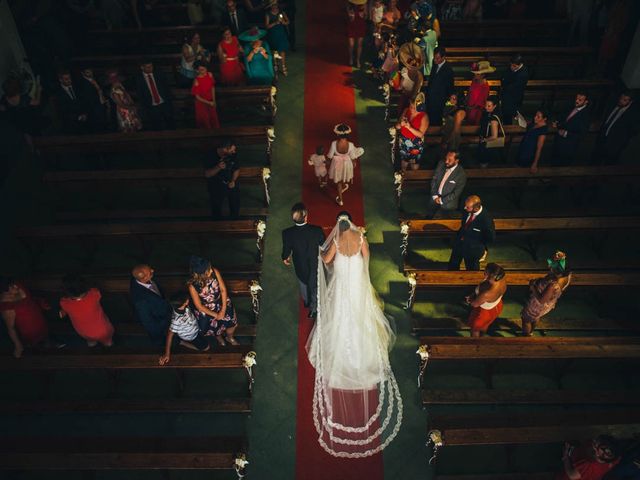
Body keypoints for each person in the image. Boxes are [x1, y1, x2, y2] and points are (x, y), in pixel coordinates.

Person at [306, 212, 402, 457]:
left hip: (342, 287)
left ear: (337, 228)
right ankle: (363, 358)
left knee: (340, 320)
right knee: (361, 320)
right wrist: (363, 282)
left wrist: (320, 252)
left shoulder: (336, 242)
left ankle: (342, 359)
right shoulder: (360, 238)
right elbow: (366, 260)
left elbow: (327, 261)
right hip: (357, 286)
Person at [281, 203, 326, 318]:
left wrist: (285, 257)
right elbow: (323, 245)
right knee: (314, 285)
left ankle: (306, 301)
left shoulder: (287, 233)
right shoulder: (317, 230)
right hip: (314, 263)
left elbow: (286, 249)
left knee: (303, 283)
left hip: (300, 264)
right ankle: (314, 308)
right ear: (306, 216)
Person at [0, 277, 59, 358]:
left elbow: (30, 299)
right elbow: (11, 328)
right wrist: (18, 346)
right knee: (40, 352)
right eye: (11, 287)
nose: (16, 286)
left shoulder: (17, 285)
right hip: (30, 332)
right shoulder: (6, 306)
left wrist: (40, 303)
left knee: (47, 338)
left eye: (13, 284)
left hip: (40, 319)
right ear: (5, 292)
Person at [187, 255, 238, 346]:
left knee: (232, 323)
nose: (211, 270)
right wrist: (216, 315)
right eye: (208, 270)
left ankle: (229, 337)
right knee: (214, 327)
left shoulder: (215, 272)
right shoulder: (192, 286)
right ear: (201, 275)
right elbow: (199, 306)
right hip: (206, 309)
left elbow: (223, 289)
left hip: (221, 302)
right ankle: (219, 337)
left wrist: (223, 309)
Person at [521, 251, 572, 336]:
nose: (549, 267)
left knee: (526, 320)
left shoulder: (553, 285)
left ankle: (526, 335)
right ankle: (531, 331)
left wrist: (533, 287)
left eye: (552, 268)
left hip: (537, 305)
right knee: (536, 317)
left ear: (558, 273)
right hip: (548, 304)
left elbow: (541, 300)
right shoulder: (567, 275)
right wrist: (561, 257)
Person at [59, 274, 114, 347]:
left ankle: (92, 347)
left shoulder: (64, 302)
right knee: (108, 342)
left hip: (83, 332)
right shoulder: (94, 293)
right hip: (103, 331)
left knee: (91, 342)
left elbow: (63, 312)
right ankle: (109, 348)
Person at [158, 292, 211, 366]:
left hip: (195, 328)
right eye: (186, 299)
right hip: (191, 336)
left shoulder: (183, 307)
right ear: (185, 303)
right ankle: (183, 343)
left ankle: (185, 341)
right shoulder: (176, 321)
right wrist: (167, 354)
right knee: (206, 348)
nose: (188, 299)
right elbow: (169, 335)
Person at [448, 195, 495, 271]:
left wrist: (481, 246)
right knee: (452, 266)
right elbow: (464, 225)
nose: (464, 208)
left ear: (476, 208)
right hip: (460, 243)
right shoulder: (467, 210)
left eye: (467, 207)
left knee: (472, 271)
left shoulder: (486, 220)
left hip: (473, 250)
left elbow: (491, 238)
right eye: (465, 206)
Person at [130, 264, 172, 346]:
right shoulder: (140, 300)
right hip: (161, 324)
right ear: (144, 278)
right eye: (150, 272)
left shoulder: (140, 279)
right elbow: (148, 322)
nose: (153, 270)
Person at [592, 91, 639, 165]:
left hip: (614, 145)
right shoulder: (613, 105)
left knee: (608, 165)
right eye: (621, 98)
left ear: (630, 102)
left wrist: (621, 142)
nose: (621, 101)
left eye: (625, 100)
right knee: (595, 160)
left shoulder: (633, 114)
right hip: (602, 139)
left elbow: (634, 130)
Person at [464, 263, 507, 337]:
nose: (484, 273)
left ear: (492, 276)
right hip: (497, 306)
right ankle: (482, 335)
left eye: (486, 272)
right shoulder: (501, 279)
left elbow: (474, 304)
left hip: (483, 312)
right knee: (485, 324)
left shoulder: (487, 293)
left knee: (475, 329)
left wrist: (470, 299)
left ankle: (475, 343)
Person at [327, 123, 365, 206]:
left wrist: (327, 163)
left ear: (337, 134)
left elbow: (330, 156)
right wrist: (354, 163)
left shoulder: (334, 143)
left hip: (337, 164)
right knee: (344, 175)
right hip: (346, 164)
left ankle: (340, 200)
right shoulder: (350, 145)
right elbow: (353, 157)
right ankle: (344, 186)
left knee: (339, 182)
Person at [204, 139, 240, 219]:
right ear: (224, 149)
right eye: (232, 150)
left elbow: (236, 169)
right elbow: (207, 174)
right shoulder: (210, 155)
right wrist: (218, 167)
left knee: (235, 204)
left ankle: (235, 221)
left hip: (230, 183)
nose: (234, 152)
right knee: (216, 209)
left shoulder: (233, 155)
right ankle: (217, 224)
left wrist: (233, 180)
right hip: (216, 185)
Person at [551, 92, 590, 166]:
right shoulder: (571, 106)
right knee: (553, 163)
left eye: (580, 100)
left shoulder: (586, 115)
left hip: (568, 147)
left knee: (562, 167)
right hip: (558, 142)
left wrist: (566, 134)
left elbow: (582, 135)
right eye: (576, 98)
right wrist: (557, 122)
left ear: (586, 102)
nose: (577, 101)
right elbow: (563, 117)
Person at [426, 150, 467, 218]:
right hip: (434, 198)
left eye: (449, 160)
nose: (446, 161)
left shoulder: (461, 174)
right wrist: (435, 195)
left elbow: (456, 193)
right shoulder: (441, 164)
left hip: (448, 204)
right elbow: (434, 179)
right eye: (446, 159)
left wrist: (442, 200)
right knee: (428, 218)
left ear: (456, 161)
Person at [135, 61, 175, 130]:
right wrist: (146, 105)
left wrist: (168, 99)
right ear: (142, 67)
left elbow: (166, 87)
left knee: (170, 122)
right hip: (151, 105)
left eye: (151, 66)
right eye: (148, 67)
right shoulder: (138, 79)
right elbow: (140, 94)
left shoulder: (158, 74)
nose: (151, 68)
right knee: (157, 125)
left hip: (164, 102)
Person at [396, 93, 429, 171]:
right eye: (410, 106)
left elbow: (421, 134)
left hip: (416, 143)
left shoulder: (424, 116)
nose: (411, 109)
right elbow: (397, 125)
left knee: (414, 164)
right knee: (404, 161)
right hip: (403, 140)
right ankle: (401, 179)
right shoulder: (406, 110)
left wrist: (409, 127)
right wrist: (399, 125)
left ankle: (413, 178)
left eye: (414, 107)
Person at [55, 69, 89, 134]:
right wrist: (78, 117)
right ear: (60, 80)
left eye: (69, 78)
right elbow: (62, 111)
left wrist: (85, 113)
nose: (69, 80)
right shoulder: (59, 94)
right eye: (66, 79)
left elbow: (83, 102)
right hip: (70, 124)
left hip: (84, 121)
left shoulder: (77, 88)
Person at [426, 46, 454, 126]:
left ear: (443, 57)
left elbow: (450, 86)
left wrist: (449, 97)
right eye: (434, 58)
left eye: (437, 58)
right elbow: (431, 78)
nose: (435, 60)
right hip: (430, 96)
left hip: (439, 99)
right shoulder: (434, 63)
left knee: (436, 120)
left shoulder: (448, 70)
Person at [500, 54, 529, 125]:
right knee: (505, 115)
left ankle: (509, 130)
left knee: (510, 117)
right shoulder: (511, 67)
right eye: (511, 65)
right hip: (506, 96)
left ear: (520, 64)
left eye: (514, 66)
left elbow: (514, 87)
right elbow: (503, 78)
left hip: (514, 99)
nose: (512, 67)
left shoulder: (523, 73)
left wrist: (506, 85)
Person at [396, 42, 424, 115]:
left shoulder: (418, 75)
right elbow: (401, 85)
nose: (411, 64)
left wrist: (409, 97)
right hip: (403, 95)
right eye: (409, 62)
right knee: (400, 112)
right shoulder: (404, 70)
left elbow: (416, 91)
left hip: (412, 100)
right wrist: (395, 83)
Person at [78, 68, 109, 132]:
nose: (90, 73)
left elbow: (100, 90)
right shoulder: (83, 84)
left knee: (103, 125)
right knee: (97, 127)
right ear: (83, 73)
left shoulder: (95, 79)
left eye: (91, 71)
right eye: (87, 72)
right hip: (93, 108)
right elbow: (85, 99)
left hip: (100, 105)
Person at [477, 96, 504, 168]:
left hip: (487, 144)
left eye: (489, 106)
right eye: (486, 105)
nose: (486, 107)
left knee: (484, 163)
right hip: (488, 144)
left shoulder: (493, 119)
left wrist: (484, 140)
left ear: (495, 106)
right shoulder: (490, 113)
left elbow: (494, 136)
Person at [191, 62, 220, 129]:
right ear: (197, 71)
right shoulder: (196, 81)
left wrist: (214, 100)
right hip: (202, 104)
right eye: (201, 70)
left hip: (211, 101)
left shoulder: (210, 75)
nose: (204, 71)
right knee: (205, 123)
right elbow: (197, 97)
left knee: (214, 121)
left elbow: (212, 87)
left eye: (205, 69)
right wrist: (209, 103)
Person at [265, 1, 290, 75]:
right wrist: (275, 23)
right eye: (273, 5)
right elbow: (267, 26)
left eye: (275, 5)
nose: (274, 6)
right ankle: (275, 66)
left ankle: (283, 66)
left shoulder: (282, 12)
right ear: (270, 6)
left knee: (282, 50)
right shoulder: (268, 14)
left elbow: (288, 22)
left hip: (281, 34)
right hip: (273, 35)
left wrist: (283, 22)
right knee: (274, 51)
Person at [466, 61, 494, 125]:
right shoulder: (474, 80)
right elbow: (470, 93)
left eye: (477, 74)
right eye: (475, 73)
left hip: (477, 112)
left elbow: (481, 104)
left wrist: (471, 108)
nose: (475, 75)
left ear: (483, 75)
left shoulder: (485, 87)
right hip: (469, 109)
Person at [347, 0, 367, 68]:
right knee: (351, 44)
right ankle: (351, 58)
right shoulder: (349, 4)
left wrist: (363, 13)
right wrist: (351, 15)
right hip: (352, 25)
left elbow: (366, 15)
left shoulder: (364, 3)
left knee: (359, 44)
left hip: (360, 25)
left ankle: (358, 60)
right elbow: (349, 17)